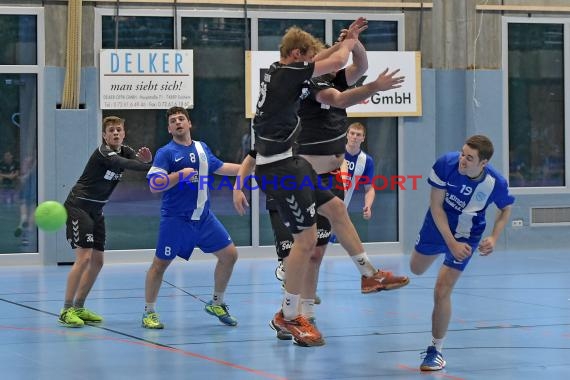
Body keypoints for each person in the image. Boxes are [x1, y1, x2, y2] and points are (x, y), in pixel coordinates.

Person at [235, 18, 406, 347]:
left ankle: (370, 275)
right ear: (297, 54)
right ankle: (289, 315)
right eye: (308, 58)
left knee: (338, 209)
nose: (313, 64)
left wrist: (351, 40)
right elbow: (338, 62)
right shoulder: (287, 74)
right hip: (280, 169)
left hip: (291, 163)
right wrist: (370, 81)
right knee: (306, 242)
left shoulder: (281, 74)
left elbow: (333, 59)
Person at [409, 135, 514, 371]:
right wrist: (450, 243)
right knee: (415, 268)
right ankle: (441, 251)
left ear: (483, 163)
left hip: (467, 235)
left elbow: (506, 208)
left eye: (469, 158)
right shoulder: (446, 164)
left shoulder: (495, 183)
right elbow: (436, 206)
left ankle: (435, 350)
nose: (462, 161)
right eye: (462, 153)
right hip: (437, 225)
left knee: (442, 290)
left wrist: (494, 237)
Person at [142, 106, 241, 329]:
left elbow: (221, 167)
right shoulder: (165, 153)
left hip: (204, 218)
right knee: (160, 265)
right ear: (169, 129)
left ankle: (217, 302)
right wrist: (179, 176)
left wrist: (250, 167)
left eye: (181, 119)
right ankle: (149, 311)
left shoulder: (202, 148)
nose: (178, 122)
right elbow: (154, 186)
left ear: (189, 124)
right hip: (176, 219)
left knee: (230, 255)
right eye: (173, 121)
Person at [59, 116, 153, 327]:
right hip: (79, 207)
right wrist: (149, 166)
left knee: (98, 261)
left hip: (97, 210)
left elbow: (135, 161)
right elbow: (125, 164)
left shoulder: (125, 149)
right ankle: (66, 310)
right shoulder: (104, 152)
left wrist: (147, 161)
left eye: (119, 129)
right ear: (104, 135)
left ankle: (79, 307)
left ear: (124, 133)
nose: (116, 133)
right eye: (111, 130)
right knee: (83, 258)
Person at [329, 122, 376, 243]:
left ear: (363, 138)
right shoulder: (333, 152)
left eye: (358, 134)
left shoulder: (367, 161)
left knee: (334, 243)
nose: (355, 136)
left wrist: (368, 206)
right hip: (323, 203)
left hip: (341, 209)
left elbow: (369, 188)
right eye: (352, 133)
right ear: (347, 135)